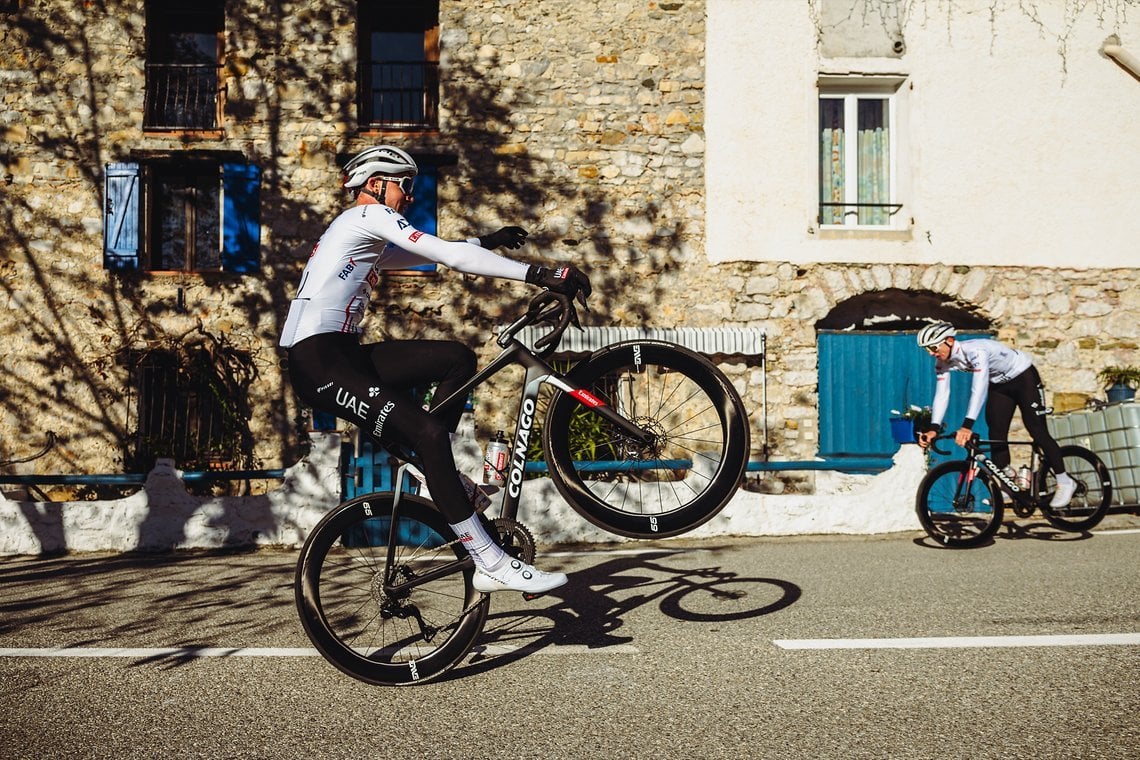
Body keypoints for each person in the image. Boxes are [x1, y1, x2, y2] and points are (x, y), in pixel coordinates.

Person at [280, 145, 591, 594]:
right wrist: (542, 275)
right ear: (375, 185)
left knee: (456, 358)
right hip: (320, 363)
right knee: (427, 434)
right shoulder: (365, 218)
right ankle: (489, 561)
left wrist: (487, 242)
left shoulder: (356, 233)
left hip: (342, 354)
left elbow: (429, 254)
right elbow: (447, 257)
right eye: (405, 186)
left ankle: (429, 465)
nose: (410, 196)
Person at [914, 321, 1076, 507]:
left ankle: (1065, 481)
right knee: (996, 431)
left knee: (1037, 430)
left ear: (949, 340)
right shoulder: (942, 363)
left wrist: (967, 426)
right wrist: (934, 428)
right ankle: (1008, 483)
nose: (932, 353)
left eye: (934, 347)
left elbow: (979, 387)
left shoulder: (976, 351)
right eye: (927, 350)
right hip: (1000, 385)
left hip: (1023, 378)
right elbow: (942, 394)